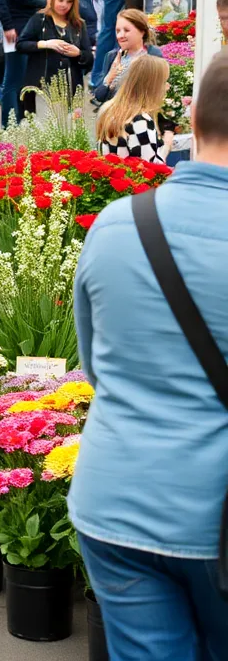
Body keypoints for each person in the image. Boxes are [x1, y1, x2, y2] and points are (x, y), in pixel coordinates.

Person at [69, 53, 228, 660]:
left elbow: (96, 365)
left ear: (191, 114)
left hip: (117, 498)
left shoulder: (115, 225)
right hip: (214, 515)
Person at [17, 0, 94, 116]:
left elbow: (89, 59)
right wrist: (46, 44)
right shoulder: (39, 19)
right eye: (61, 0)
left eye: (69, 1)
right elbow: (21, 45)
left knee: (69, 130)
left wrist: (78, 53)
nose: (64, 5)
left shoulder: (78, 24)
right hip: (41, 88)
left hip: (71, 88)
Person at [94, 54, 172, 164]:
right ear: (152, 86)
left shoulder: (109, 110)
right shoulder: (140, 120)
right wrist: (167, 145)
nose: (168, 87)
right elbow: (150, 166)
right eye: (164, 82)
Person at [92, 9, 164, 104]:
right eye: (118, 31)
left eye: (126, 30)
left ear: (142, 31)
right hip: (114, 114)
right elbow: (99, 96)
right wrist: (110, 77)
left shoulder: (153, 54)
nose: (121, 35)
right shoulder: (112, 56)